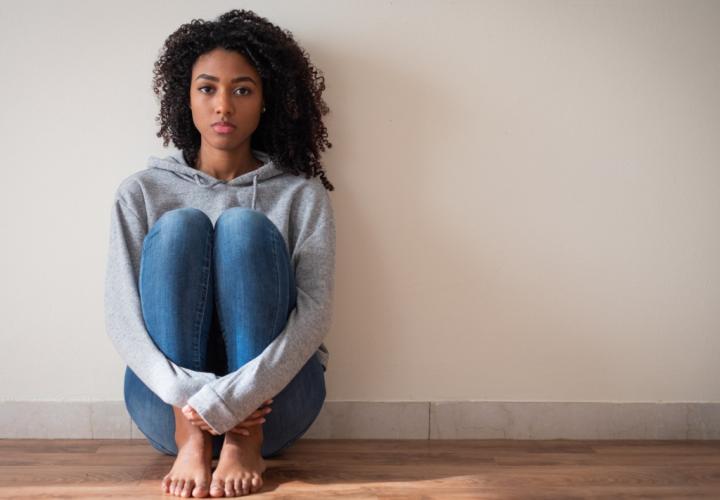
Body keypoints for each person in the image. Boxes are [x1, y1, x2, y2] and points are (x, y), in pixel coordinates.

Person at [103, 9, 336, 498]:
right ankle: (191, 440)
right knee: (181, 226)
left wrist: (240, 401)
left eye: (243, 90)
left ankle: (243, 441)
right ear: (185, 99)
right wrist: (189, 398)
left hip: (274, 404)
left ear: (267, 100)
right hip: (169, 404)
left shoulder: (300, 194)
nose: (223, 106)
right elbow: (120, 313)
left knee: (243, 229)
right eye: (207, 88)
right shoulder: (141, 192)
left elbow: (315, 315)